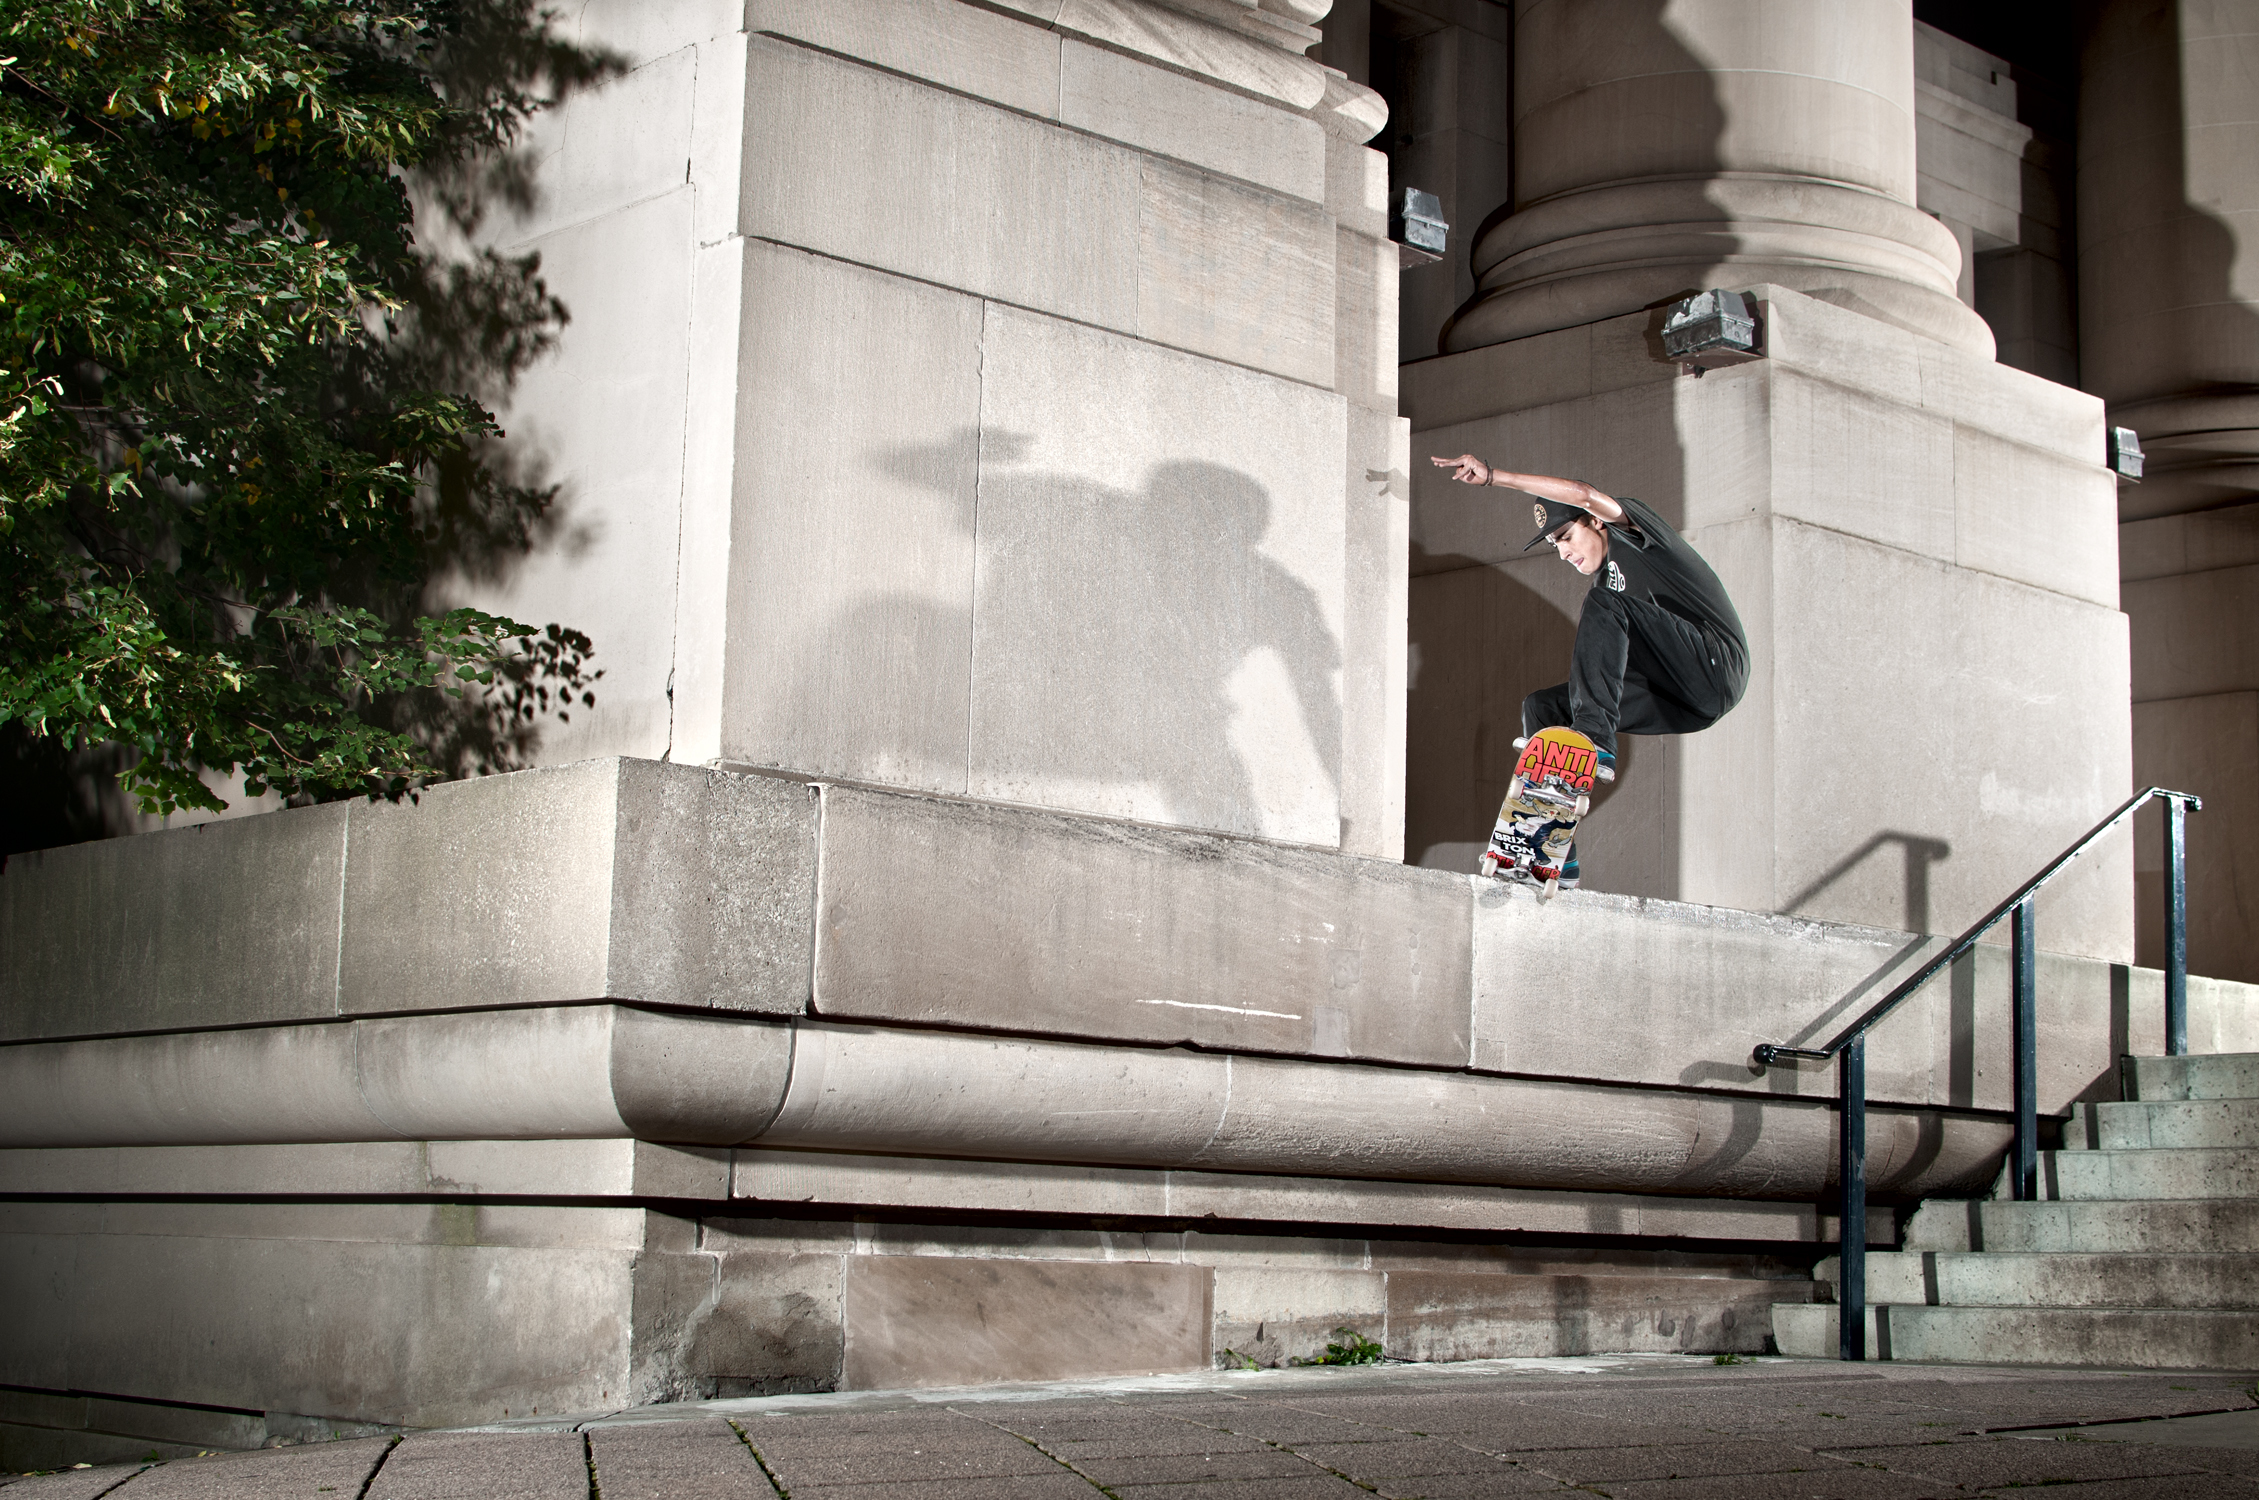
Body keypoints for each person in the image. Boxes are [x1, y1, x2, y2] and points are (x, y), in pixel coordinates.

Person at [1429, 454, 1749, 883]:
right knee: (1543, 708)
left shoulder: (1639, 536)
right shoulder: (1609, 596)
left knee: (1603, 606)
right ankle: (1554, 851)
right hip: (1683, 702)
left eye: (1566, 536)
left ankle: (1595, 739)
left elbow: (1584, 494)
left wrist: (1494, 477)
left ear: (1595, 522)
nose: (1563, 553)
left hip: (1715, 666)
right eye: (1554, 546)